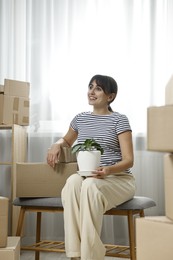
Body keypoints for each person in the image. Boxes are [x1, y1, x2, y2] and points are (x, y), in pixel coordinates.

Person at [47, 74, 136, 260]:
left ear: (110, 96)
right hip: (90, 179)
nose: (91, 91)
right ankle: (76, 255)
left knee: (89, 186)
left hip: (118, 179)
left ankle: (91, 257)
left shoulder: (119, 120)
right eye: (90, 87)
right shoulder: (80, 119)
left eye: (98, 88)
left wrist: (108, 170)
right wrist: (56, 144)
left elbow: (129, 160)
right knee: (72, 182)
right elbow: (66, 140)